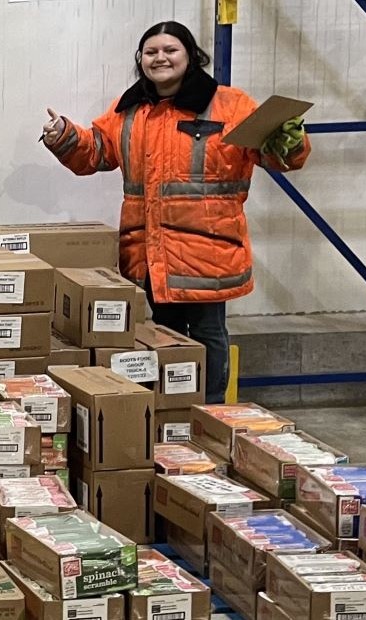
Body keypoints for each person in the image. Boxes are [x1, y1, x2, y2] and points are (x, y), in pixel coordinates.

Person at [41, 21, 310, 404]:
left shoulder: (229, 104)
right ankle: (170, 407)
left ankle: (210, 409)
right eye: (151, 52)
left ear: (191, 56)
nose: (160, 58)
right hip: (150, 251)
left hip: (208, 250)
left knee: (207, 334)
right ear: (141, 60)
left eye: (170, 50)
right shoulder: (129, 111)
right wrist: (64, 134)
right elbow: (97, 151)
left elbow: (271, 154)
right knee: (161, 334)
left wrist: (290, 141)